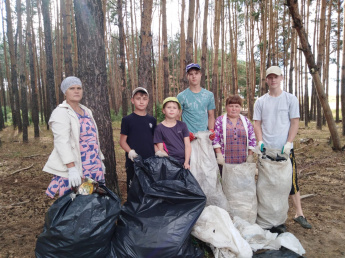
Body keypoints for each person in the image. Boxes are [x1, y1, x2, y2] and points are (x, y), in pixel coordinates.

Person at [253, 66, 312, 231]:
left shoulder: (290, 99)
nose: (273, 80)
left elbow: (294, 122)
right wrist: (260, 142)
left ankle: (299, 213)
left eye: (276, 77)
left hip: (284, 150)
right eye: (270, 77)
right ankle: (266, 217)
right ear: (266, 80)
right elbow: (257, 123)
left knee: (290, 181)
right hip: (267, 150)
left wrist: (288, 143)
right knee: (266, 184)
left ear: (281, 78)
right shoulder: (261, 101)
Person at [43, 76, 105, 198]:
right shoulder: (61, 112)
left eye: (79, 88)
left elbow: (93, 138)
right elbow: (62, 142)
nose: (76, 91)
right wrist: (71, 169)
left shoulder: (86, 110)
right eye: (72, 88)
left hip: (93, 165)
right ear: (65, 92)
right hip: (77, 167)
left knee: (92, 203)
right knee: (77, 204)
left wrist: (99, 160)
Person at [119, 87, 156, 192]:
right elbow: (122, 141)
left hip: (149, 161)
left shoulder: (152, 120)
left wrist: (158, 151)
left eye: (144, 99)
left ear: (148, 101)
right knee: (134, 189)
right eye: (138, 98)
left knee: (148, 188)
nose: (141, 101)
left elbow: (153, 140)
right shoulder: (127, 120)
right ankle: (133, 208)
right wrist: (130, 151)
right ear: (132, 100)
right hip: (133, 161)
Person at [213, 95, 256, 167]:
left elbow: (252, 139)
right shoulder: (219, 121)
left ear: (240, 108)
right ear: (226, 107)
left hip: (243, 160)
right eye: (231, 106)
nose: (234, 109)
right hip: (225, 161)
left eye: (237, 106)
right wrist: (219, 155)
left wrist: (250, 155)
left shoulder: (246, 121)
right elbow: (215, 139)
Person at [177, 63, 216, 140]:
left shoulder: (209, 95)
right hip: (188, 137)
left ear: (200, 74)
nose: (194, 76)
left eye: (196, 73)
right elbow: (177, 117)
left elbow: (211, 116)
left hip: (205, 136)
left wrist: (211, 130)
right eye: (191, 74)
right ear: (187, 76)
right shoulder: (181, 96)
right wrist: (184, 133)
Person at [154, 97, 191, 169]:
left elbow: (187, 145)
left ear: (178, 111)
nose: (171, 109)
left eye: (174, 108)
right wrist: (170, 162)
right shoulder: (159, 128)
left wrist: (186, 162)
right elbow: (160, 149)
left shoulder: (183, 125)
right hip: (169, 163)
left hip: (184, 162)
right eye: (169, 107)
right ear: (163, 110)